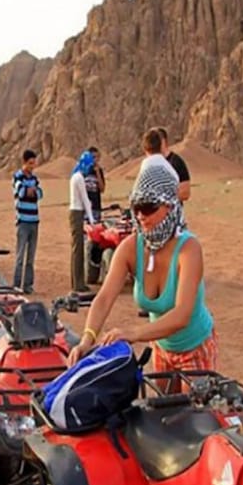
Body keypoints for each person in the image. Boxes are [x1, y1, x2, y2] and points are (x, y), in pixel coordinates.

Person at [68, 157, 218, 393]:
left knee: (195, 422)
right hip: (161, 348)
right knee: (162, 420)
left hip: (195, 348)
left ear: (170, 205)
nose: (140, 216)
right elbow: (105, 297)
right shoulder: (131, 247)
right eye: (136, 208)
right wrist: (87, 339)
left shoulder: (189, 249)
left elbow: (182, 314)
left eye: (148, 208)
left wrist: (133, 334)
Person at [12, 149, 43, 294]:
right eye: (30, 163)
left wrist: (32, 191)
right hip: (23, 222)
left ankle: (28, 285)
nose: (32, 166)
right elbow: (22, 193)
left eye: (34, 163)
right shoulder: (18, 176)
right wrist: (30, 191)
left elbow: (39, 194)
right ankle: (16, 285)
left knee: (31, 256)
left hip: (34, 221)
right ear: (24, 162)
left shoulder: (34, 178)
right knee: (20, 256)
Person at [69, 151, 96, 294]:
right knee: (78, 250)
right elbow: (85, 200)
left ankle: (77, 282)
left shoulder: (76, 176)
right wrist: (92, 220)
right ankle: (78, 284)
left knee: (76, 249)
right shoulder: (78, 178)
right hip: (77, 213)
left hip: (76, 212)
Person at [85, 146, 107, 285]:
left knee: (97, 240)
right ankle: (87, 271)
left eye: (97, 157)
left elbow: (103, 189)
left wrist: (98, 173)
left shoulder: (98, 171)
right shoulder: (83, 172)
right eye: (93, 157)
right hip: (85, 210)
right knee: (86, 240)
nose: (95, 160)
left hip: (96, 209)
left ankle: (96, 269)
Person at [155, 127, 191, 202]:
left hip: (172, 212)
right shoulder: (152, 163)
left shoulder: (176, 162)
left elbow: (185, 193)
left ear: (163, 141)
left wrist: (163, 199)